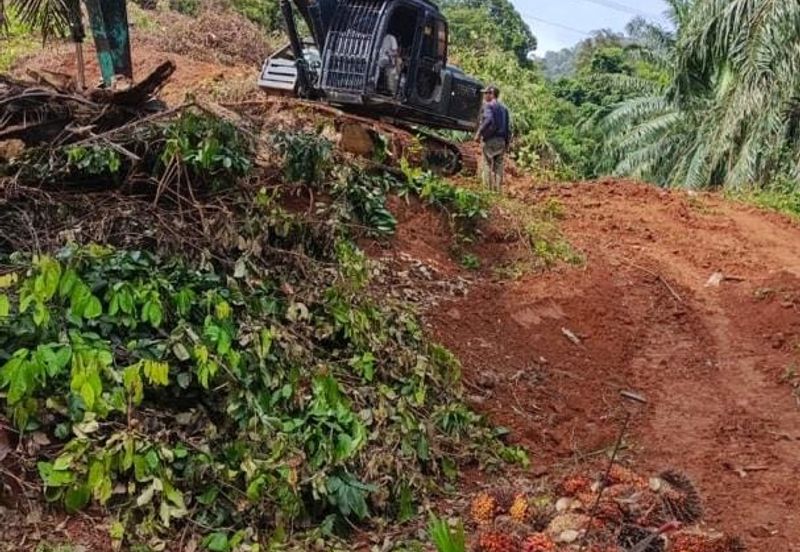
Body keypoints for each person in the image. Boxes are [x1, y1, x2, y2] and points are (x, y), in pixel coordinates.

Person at [474, 85, 511, 192]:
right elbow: (508, 128)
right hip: (502, 141)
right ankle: (497, 191)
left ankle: (487, 190)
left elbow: (488, 119)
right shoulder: (504, 109)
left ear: (492, 94)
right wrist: (507, 143)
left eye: (486, 93)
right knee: (498, 166)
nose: (484, 95)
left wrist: (479, 133)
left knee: (487, 163)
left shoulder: (489, 106)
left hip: (491, 140)